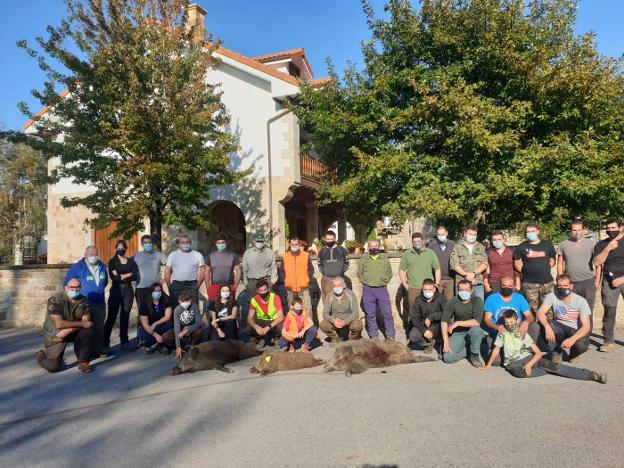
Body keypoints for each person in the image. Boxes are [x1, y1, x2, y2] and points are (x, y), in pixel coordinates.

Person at [481, 310, 606, 384]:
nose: (510, 325)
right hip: (512, 363)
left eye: (512, 322)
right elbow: (497, 349)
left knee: (558, 367)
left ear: (517, 320)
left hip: (529, 358)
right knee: (519, 373)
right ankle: (546, 369)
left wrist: (529, 364)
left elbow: (538, 353)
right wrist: (487, 365)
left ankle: (592, 375)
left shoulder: (522, 333)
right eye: (507, 323)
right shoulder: (503, 334)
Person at [36, 278, 96, 373]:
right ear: (66, 288)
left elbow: (87, 323)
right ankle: (40, 355)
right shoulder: (55, 300)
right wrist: (81, 324)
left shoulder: (84, 301)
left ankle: (83, 361)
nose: (75, 290)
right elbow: (59, 324)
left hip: (71, 331)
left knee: (88, 331)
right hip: (56, 334)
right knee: (53, 367)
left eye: (78, 287)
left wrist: (69, 330)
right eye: (72, 287)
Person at [64, 245, 108, 356]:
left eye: (95, 254)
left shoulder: (102, 266)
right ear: (85, 255)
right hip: (83, 305)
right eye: (91, 255)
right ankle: (82, 353)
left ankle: (98, 350)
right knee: (84, 330)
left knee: (99, 328)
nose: (94, 256)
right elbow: (66, 284)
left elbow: (105, 282)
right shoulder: (77, 267)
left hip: (99, 303)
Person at [536, 274, 591, 362]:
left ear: (571, 286)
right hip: (558, 327)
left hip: (573, 329)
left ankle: (574, 354)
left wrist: (573, 339)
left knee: (582, 345)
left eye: (565, 286)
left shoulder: (581, 301)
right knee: (541, 324)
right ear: (556, 286)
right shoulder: (552, 296)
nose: (562, 288)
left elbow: (586, 326)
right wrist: (547, 327)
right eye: (560, 286)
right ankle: (557, 351)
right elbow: (540, 313)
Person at [483, 275, 537, 365]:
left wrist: (526, 322)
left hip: (515, 329)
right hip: (499, 331)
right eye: (504, 286)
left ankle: (527, 352)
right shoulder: (491, 298)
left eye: (509, 286)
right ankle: (502, 350)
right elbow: (487, 319)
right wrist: (496, 327)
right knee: (496, 362)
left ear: (514, 286)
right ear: (500, 285)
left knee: (534, 326)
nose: (506, 288)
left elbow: (529, 316)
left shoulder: (519, 298)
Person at [592, 217, 623, 353]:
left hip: (623, 279)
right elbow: (597, 262)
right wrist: (608, 248)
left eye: (613, 228)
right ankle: (608, 341)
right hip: (608, 281)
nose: (610, 231)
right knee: (609, 311)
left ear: (620, 228)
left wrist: (622, 279)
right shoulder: (601, 244)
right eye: (608, 228)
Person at [557, 220, 599, 316]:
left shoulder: (592, 244)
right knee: (572, 311)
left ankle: (588, 331)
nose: (577, 232)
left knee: (588, 310)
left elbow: (598, 264)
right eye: (574, 230)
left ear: (583, 230)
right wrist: (560, 280)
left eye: (579, 230)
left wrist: (597, 280)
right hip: (571, 283)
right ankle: (574, 331)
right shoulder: (563, 244)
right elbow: (560, 262)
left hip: (588, 282)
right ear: (570, 231)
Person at [104, 240, 139, 351]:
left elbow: (134, 276)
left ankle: (124, 341)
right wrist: (127, 274)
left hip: (128, 290)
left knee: (125, 316)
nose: (120, 250)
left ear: (125, 248)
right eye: (118, 248)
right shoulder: (112, 262)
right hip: (116, 290)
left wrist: (121, 275)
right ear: (116, 248)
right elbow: (114, 278)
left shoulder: (130, 261)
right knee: (111, 316)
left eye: (122, 248)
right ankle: (105, 342)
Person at [399, 232, 441, 325]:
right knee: (414, 313)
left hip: (428, 288)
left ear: (423, 241)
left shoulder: (430, 253)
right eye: (414, 242)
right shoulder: (407, 254)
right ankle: (414, 333)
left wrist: (436, 284)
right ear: (412, 242)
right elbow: (401, 270)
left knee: (430, 311)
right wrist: (406, 285)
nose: (417, 243)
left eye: (418, 241)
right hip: (413, 289)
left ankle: (430, 332)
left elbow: (437, 268)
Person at [441, 280, 486, 367]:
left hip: (472, 330)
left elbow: (476, 322)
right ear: (457, 290)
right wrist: (446, 342)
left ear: (471, 290)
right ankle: (468, 351)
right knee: (447, 358)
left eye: (466, 289)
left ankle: (474, 355)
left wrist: (457, 323)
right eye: (461, 290)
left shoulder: (477, 300)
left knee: (477, 330)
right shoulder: (452, 302)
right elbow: (444, 322)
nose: (464, 292)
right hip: (458, 333)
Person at [513, 223, 556, 313]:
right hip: (529, 283)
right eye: (528, 232)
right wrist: (528, 271)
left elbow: (552, 261)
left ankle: (547, 326)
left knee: (548, 309)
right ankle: (534, 327)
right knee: (532, 310)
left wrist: (543, 268)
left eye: (533, 231)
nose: (530, 233)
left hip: (547, 282)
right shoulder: (521, 247)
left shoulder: (547, 245)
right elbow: (517, 264)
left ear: (538, 232)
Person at [358, 239, 396, 340]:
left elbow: (389, 273)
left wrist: (384, 281)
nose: (374, 248)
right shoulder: (364, 259)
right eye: (371, 246)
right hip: (368, 289)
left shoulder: (384, 259)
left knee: (387, 313)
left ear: (379, 246)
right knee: (370, 314)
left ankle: (390, 335)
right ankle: (374, 335)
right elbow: (359, 273)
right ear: (368, 247)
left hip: (382, 289)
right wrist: (365, 282)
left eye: (376, 246)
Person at [320, 276, 363, 344]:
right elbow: (325, 313)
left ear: (344, 285)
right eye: (334, 285)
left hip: (348, 322)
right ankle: (335, 339)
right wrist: (334, 320)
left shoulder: (351, 294)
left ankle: (352, 339)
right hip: (335, 322)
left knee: (358, 325)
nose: (336, 287)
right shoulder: (329, 295)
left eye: (339, 285)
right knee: (323, 325)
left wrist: (345, 322)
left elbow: (356, 312)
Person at [164, 235, 205, 307]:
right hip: (176, 285)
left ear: (191, 243)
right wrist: (169, 286)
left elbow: (203, 270)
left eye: (187, 242)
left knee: (193, 308)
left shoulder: (197, 255)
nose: (185, 244)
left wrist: (198, 285)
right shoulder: (173, 255)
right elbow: (167, 270)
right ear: (179, 244)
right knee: (175, 307)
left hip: (192, 285)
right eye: (183, 242)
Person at [450, 225, 488, 300]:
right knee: (461, 307)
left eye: (474, 235)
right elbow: (454, 264)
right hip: (462, 283)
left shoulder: (480, 246)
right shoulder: (458, 247)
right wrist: (466, 275)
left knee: (478, 306)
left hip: (477, 282)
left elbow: (485, 263)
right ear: (465, 234)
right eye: (470, 234)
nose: (472, 236)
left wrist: (473, 274)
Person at [409, 279, 446, 354]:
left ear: (434, 289)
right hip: (425, 325)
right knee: (413, 336)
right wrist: (424, 331)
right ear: (422, 289)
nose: (427, 291)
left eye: (430, 289)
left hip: (438, 324)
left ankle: (441, 343)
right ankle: (428, 344)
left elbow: (447, 313)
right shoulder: (418, 300)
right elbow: (415, 318)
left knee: (447, 327)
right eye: (425, 289)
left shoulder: (441, 298)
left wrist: (431, 317)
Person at [163, 291, 204, 359]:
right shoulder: (177, 309)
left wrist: (187, 329)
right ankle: (181, 346)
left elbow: (198, 322)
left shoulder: (194, 306)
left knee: (199, 332)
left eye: (186, 301)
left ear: (190, 300)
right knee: (166, 337)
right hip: (181, 328)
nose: (185, 303)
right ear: (179, 301)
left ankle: (192, 344)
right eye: (182, 301)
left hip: (192, 328)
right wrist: (178, 346)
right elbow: (177, 327)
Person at [279, 236, 314, 311]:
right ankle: (293, 323)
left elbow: (311, 269)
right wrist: (286, 280)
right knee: (292, 309)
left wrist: (307, 279)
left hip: (303, 287)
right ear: (290, 245)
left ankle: (308, 323)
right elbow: (282, 271)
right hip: (290, 288)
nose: (294, 246)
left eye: (296, 244)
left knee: (307, 308)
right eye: (292, 244)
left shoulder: (305, 255)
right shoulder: (285, 256)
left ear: (299, 245)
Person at [246, 279, 284, 348]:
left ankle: (277, 337)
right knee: (249, 326)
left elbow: (280, 317)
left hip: (273, 321)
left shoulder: (275, 297)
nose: (263, 292)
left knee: (280, 325)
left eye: (265, 290)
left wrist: (268, 327)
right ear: (257, 291)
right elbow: (249, 318)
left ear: (268, 289)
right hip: (262, 321)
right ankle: (261, 338)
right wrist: (256, 326)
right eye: (260, 290)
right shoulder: (254, 299)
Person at [137, 282, 174, 355]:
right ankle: (149, 345)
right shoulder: (144, 304)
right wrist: (155, 335)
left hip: (161, 325)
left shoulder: (166, 300)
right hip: (148, 327)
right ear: (151, 292)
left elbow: (167, 316)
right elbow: (145, 324)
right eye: (155, 291)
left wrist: (155, 323)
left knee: (170, 325)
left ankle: (161, 344)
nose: (157, 293)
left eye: (159, 291)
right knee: (147, 339)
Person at [133, 234, 166, 310]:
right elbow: (126, 264)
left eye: (149, 242)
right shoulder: (136, 256)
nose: (148, 244)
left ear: (152, 243)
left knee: (157, 309)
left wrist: (164, 278)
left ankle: (156, 322)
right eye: (145, 243)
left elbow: (171, 265)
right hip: (141, 288)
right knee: (142, 310)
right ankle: (142, 322)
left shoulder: (158, 255)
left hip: (155, 287)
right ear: (142, 244)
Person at [241, 232, 278, 300]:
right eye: (258, 241)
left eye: (261, 241)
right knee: (253, 302)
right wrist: (246, 283)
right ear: (254, 241)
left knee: (268, 301)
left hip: (266, 280)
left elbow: (274, 267)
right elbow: (244, 268)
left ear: (264, 241)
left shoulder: (270, 252)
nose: (259, 242)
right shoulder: (247, 253)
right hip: (252, 282)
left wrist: (272, 281)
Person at [204, 234, 241, 302]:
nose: (221, 244)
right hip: (215, 286)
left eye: (223, 242)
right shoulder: (210, 256)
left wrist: (235, 286)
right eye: (219, 243)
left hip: (229, 286)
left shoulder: (233, 255)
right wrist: (208, 286)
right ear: (216, 244)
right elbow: (206, 272)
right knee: (213, 308)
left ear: (226, 243)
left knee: (229, 307)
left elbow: (238, 271)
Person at [317, 230, 350, 300]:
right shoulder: (322, 252)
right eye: (328, 239)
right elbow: (319, 264)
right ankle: (327, 311)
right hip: (326, 279)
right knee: (326, 299)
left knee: (341, 298)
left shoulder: (342, 250)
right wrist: (325, 273)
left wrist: (340, 273)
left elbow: (346, 263)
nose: (329, 241)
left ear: (335, 239)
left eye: (331, 239)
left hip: (339, 278)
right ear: (325, 239)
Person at [427, 225, 456, 299]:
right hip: (437, 279)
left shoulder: (453, 245)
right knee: (437, 300)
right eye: (439, 235)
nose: (441, 236)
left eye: (442, 234)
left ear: (446, 233)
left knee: (449, 301)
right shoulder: (431, 246)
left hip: (450, 278)